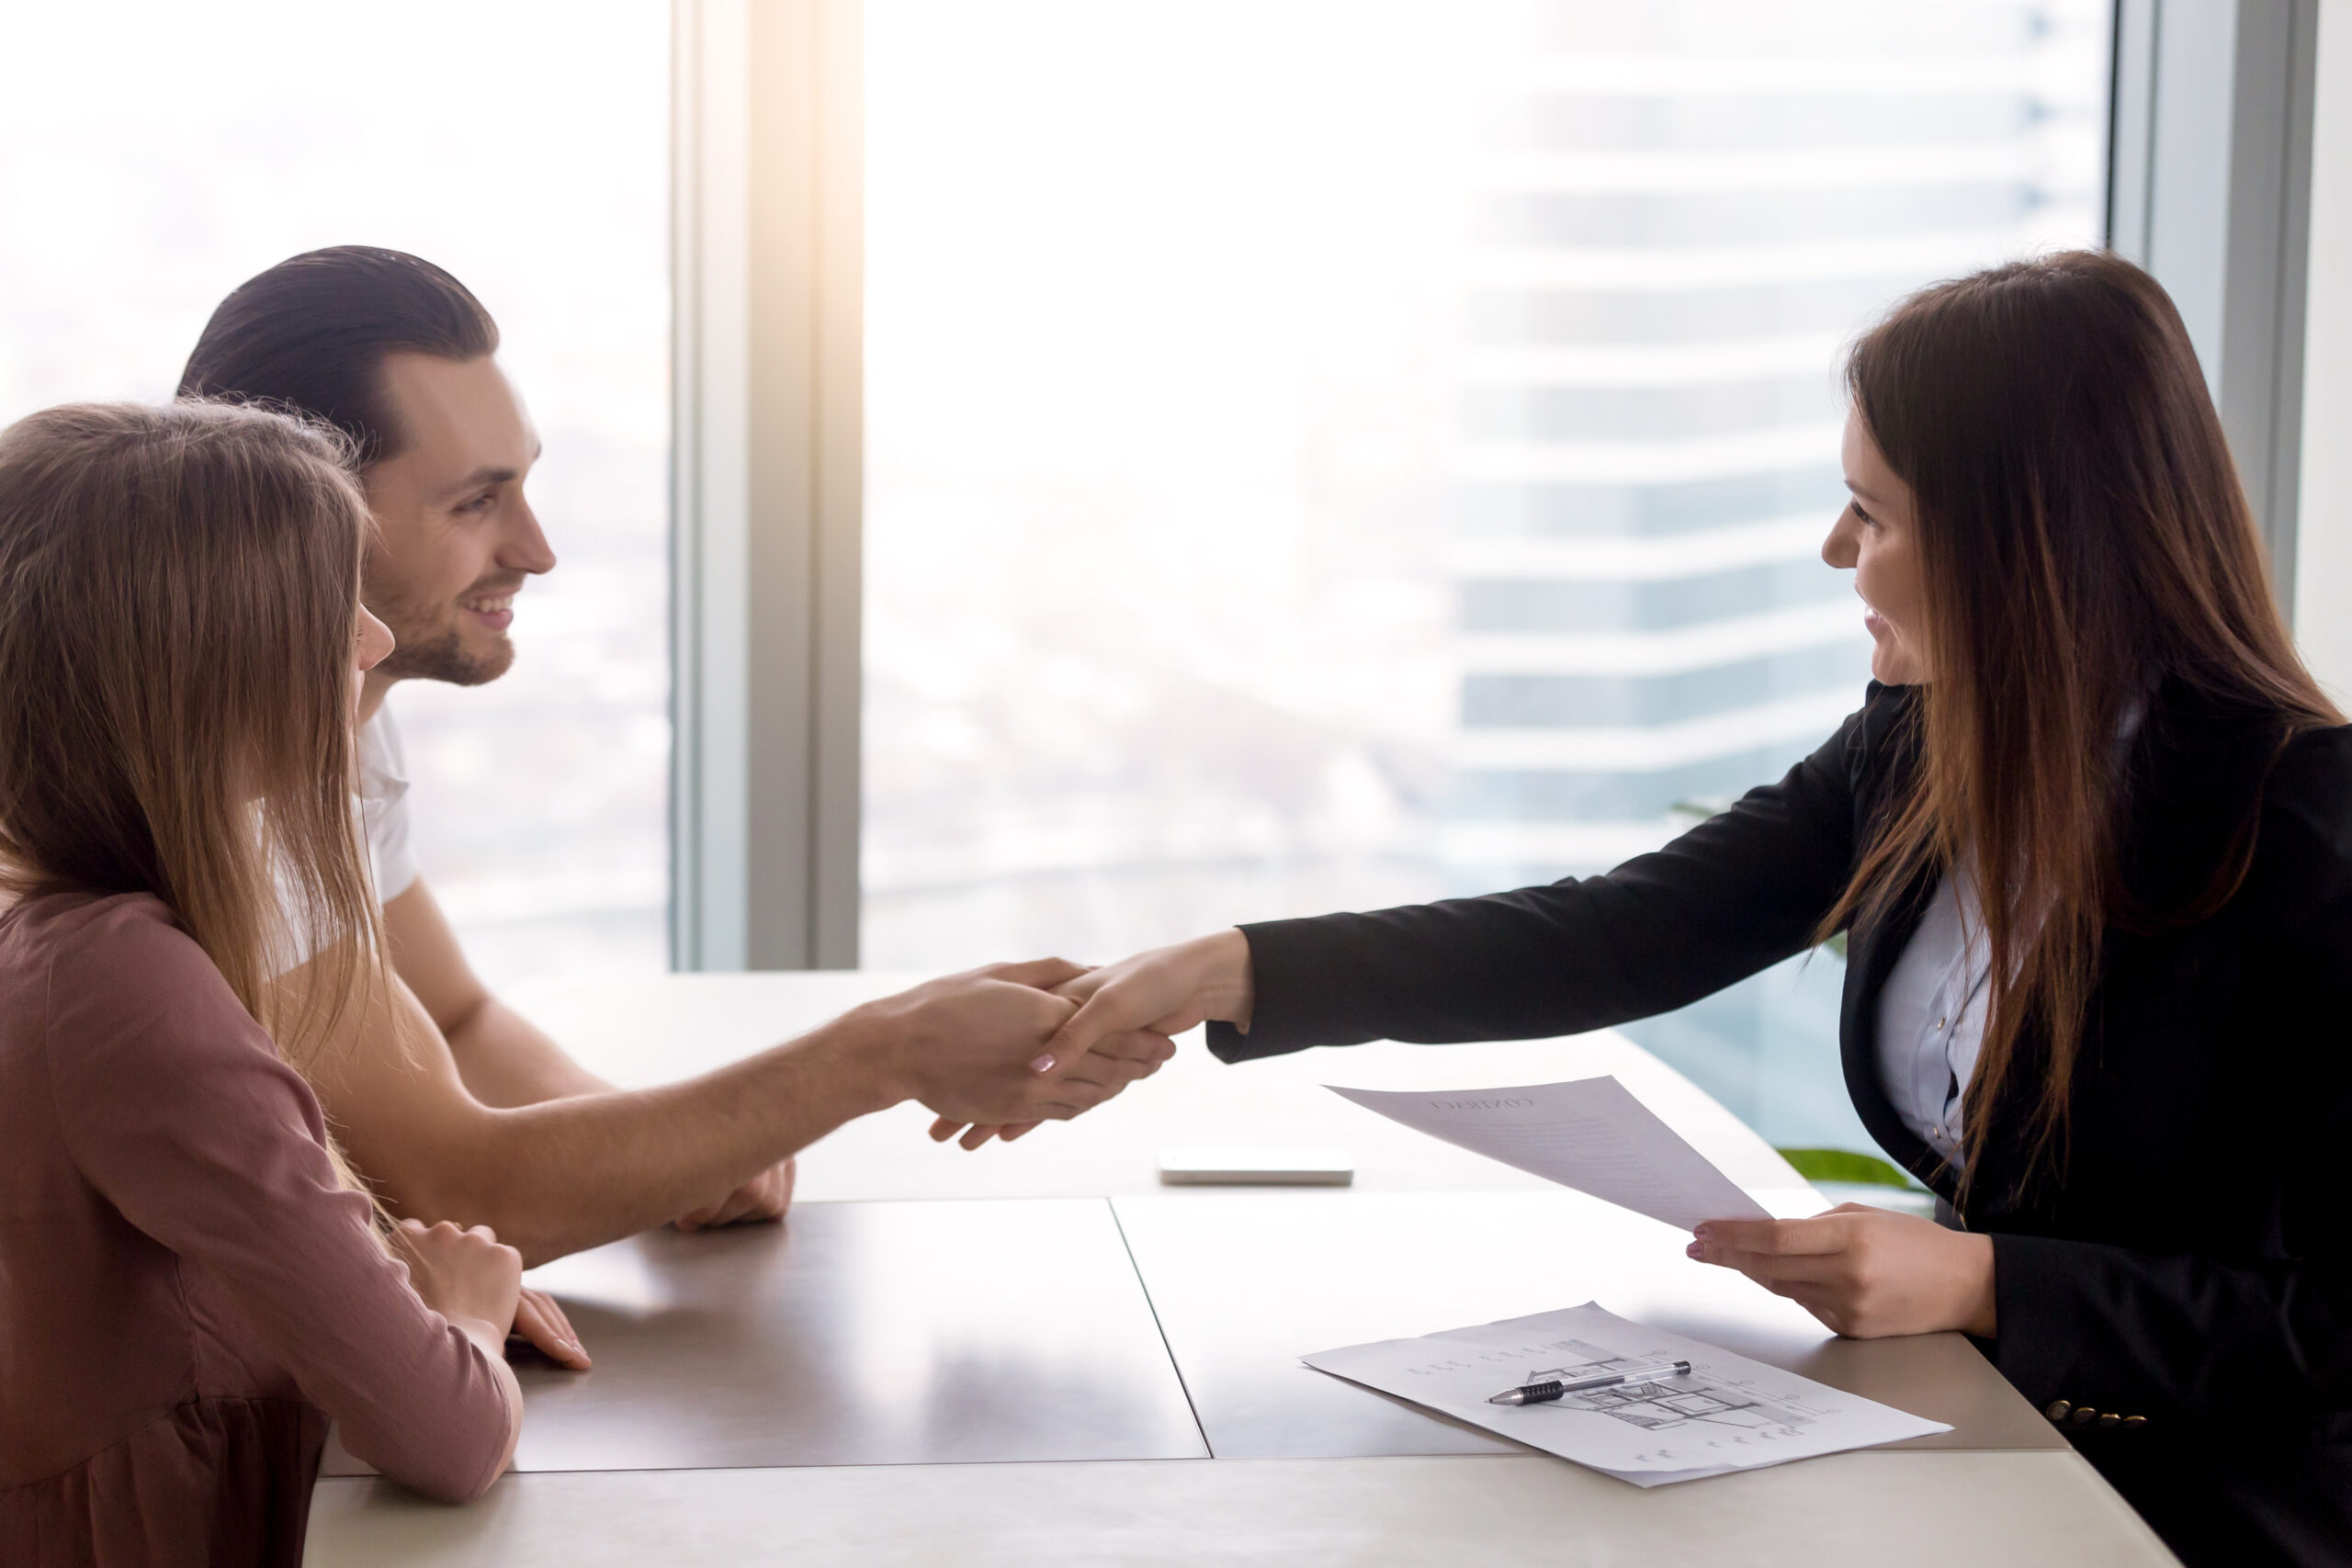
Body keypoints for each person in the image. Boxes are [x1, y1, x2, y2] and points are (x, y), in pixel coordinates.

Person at [986, 252, 2352, 1568]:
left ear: (2023, 541)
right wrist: (1234, 966)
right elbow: (1620, 931)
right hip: (1974, 1452)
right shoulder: (1926, 746)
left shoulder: (2305, 826)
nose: (1835, 550)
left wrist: (1992, 1282)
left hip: (2204, 1511)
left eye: (1871, 514)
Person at [177, 249, 1174, 1324]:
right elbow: (454, 1187)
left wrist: (676, 1151)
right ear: (298, 520)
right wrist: (882, 1052)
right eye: (476, 503)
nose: (537, 549)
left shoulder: (344, 725)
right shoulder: (227, 791)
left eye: (524, 486)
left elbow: (456, 1020)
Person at [0, 402, 525, 1559]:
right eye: (323, 610)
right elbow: (449, 1434)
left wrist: (394, 1289)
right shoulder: (127, 985)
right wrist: (467, 1323)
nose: (372, 640)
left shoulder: (58, 936)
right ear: (208, 661)